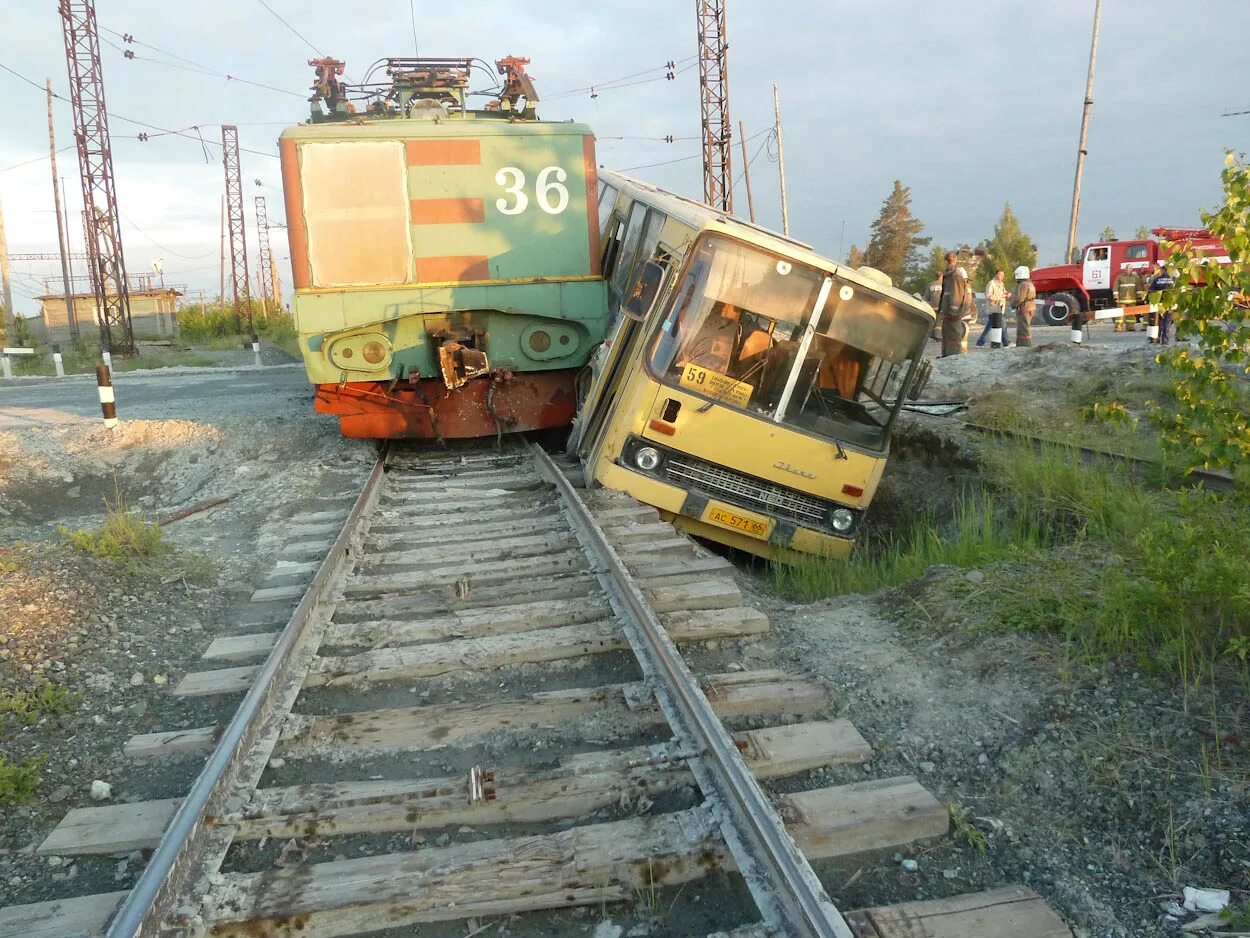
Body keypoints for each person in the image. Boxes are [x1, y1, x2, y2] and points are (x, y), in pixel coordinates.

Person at [937, 252, 969, 357]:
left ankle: (953, 357)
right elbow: (946, 294)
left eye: (948, 262)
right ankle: (946, 356)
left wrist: (953, 312)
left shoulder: (956, 276)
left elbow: (957, 295)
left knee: (954, 337)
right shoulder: (949, 275)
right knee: (947, 336)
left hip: (953, 315)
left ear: (947, 262)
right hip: (948, 313)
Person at [976, 269, 1009, 348]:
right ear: (996, 274)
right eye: (1000, 274)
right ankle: (1006, 343)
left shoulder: (1001, 284)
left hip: (1000, 307)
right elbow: (988, 296)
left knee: (991, 325)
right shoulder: (991, 284)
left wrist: (1007, 294)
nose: (1002, 276)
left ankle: (980, 342)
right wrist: (1000, 297)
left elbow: (1003, 293)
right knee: (1002, 325)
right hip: (993, 307)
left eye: (1003, 275)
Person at [1148, 261, 1176, 345]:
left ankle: (1155, 339)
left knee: (1157, 323)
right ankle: (1165, 342)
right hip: (1169, 305)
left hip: (1159, 305)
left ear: (1163, 270)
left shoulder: (1157, 279)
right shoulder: (1173, 280)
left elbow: (1151, 291)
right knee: (1167, 324)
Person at [1011, 265, 1036, 347]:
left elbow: (1020, 298)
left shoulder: (1023, 285)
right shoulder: (1030, 284)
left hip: (1025, 308)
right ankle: (1022, 344)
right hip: (1031, 306)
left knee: (1023, 328)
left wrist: (1013, 304)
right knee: (1025, 326)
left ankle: (1025, 345)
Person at [1113, 267, 1144, 332]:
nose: (1128, 270)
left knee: (1131, 315)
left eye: (1129, 268)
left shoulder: (1135, 277)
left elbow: (1139, 287)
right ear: (1125, 269)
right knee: (1120, 314)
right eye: (1127, 268)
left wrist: (1139, 297)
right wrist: (1115, 297)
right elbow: (1115, 287)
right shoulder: (1120, 277)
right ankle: (1118, 327)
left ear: (1132, 269)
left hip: (1132, 299)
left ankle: (1130, 327)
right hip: (1121, 299)